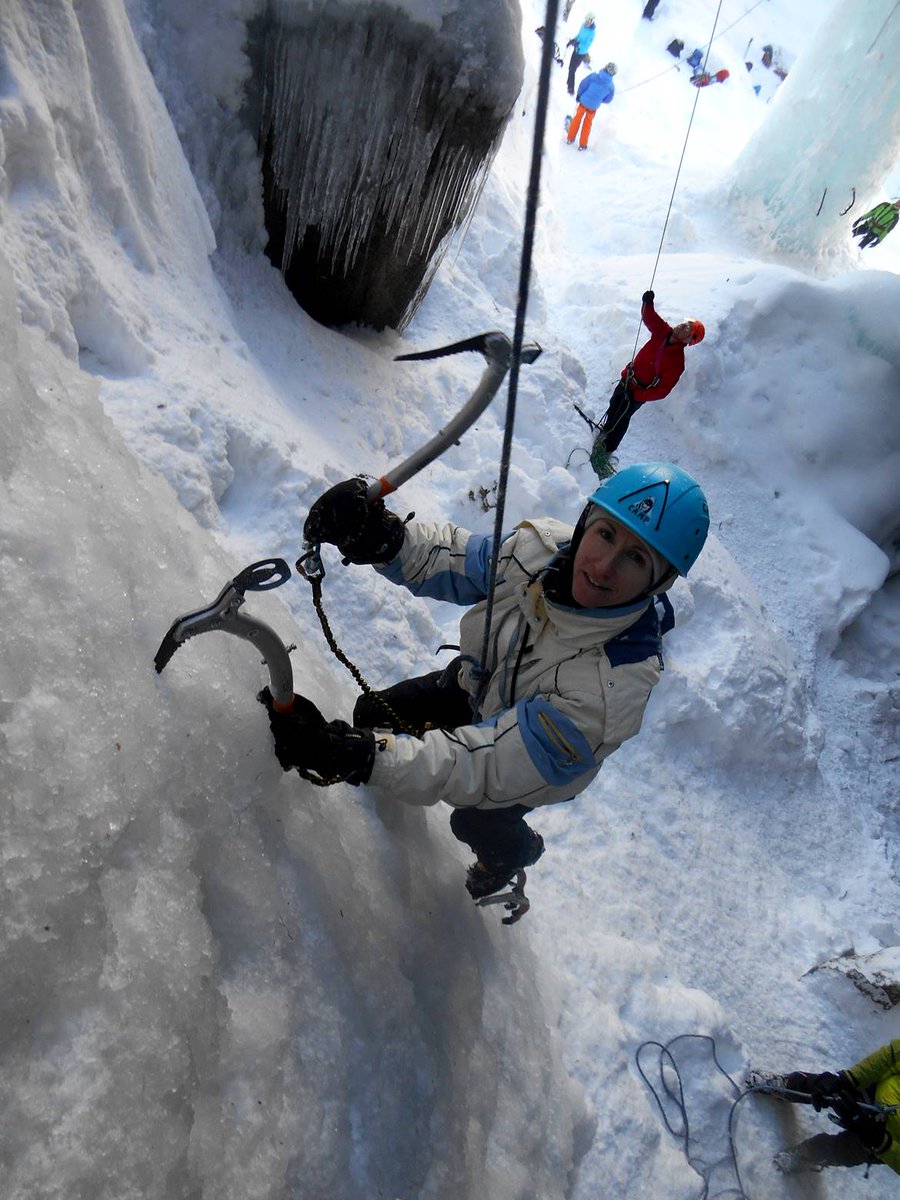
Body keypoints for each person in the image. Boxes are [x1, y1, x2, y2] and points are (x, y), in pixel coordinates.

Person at [260, 464, 710, 901]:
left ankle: (513, 851)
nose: (604, 566)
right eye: (606, 534)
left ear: (659, 582)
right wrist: (385, 539)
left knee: (475, 820)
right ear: (585, 522)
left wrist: (360, 756)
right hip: (477, 685)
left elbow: (481, 763)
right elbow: (460, 561)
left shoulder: (606, 695)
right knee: (373, 715)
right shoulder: (541, 552)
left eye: (636, 558)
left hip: (533, 763)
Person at [594, 291, 704, 455]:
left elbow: (663, 390)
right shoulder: (663, 332)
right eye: (685, 323)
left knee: (622, 417)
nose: (682, 325)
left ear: (688, 339)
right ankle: (605, 430)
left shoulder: (677, 362)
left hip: (637, 391)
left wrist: (638, 396)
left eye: (687, 328)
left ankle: (607, 449)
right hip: (627, 379)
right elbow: (650, 318)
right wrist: (648, 303)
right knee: (614, 404)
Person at [771, 1039, 900, 1175]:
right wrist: (849, 1079)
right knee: (826, 1088)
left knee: (846, 1150)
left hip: (886, 1140)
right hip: (877, 1091)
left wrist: (881, 1143)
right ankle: (786, 1086)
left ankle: (807, 1154)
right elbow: (893, 1055)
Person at [566, 62, 616, 151]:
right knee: (587, 124)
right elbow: (608, 100)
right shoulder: (611, 87)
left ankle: (570, 138)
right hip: (593, 107)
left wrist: (579, 95)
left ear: (605, 67)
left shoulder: (594, 76)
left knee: (577, 119)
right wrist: (599, 99)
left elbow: (583, 85)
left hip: (583, 101)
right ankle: (583, 144)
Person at [565, 13, 596, 95]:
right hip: (576, 50)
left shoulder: (592, 33)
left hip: (581, 53)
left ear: (592, 22)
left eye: (589, 21)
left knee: (573, 69)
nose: (587, 22)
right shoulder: (583, 26)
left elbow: (587, 45)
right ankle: (568, 82)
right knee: (570, 67)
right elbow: (579, 35)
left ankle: (571, 88)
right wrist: (573, 40)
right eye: (586, 20)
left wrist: (578, 44)